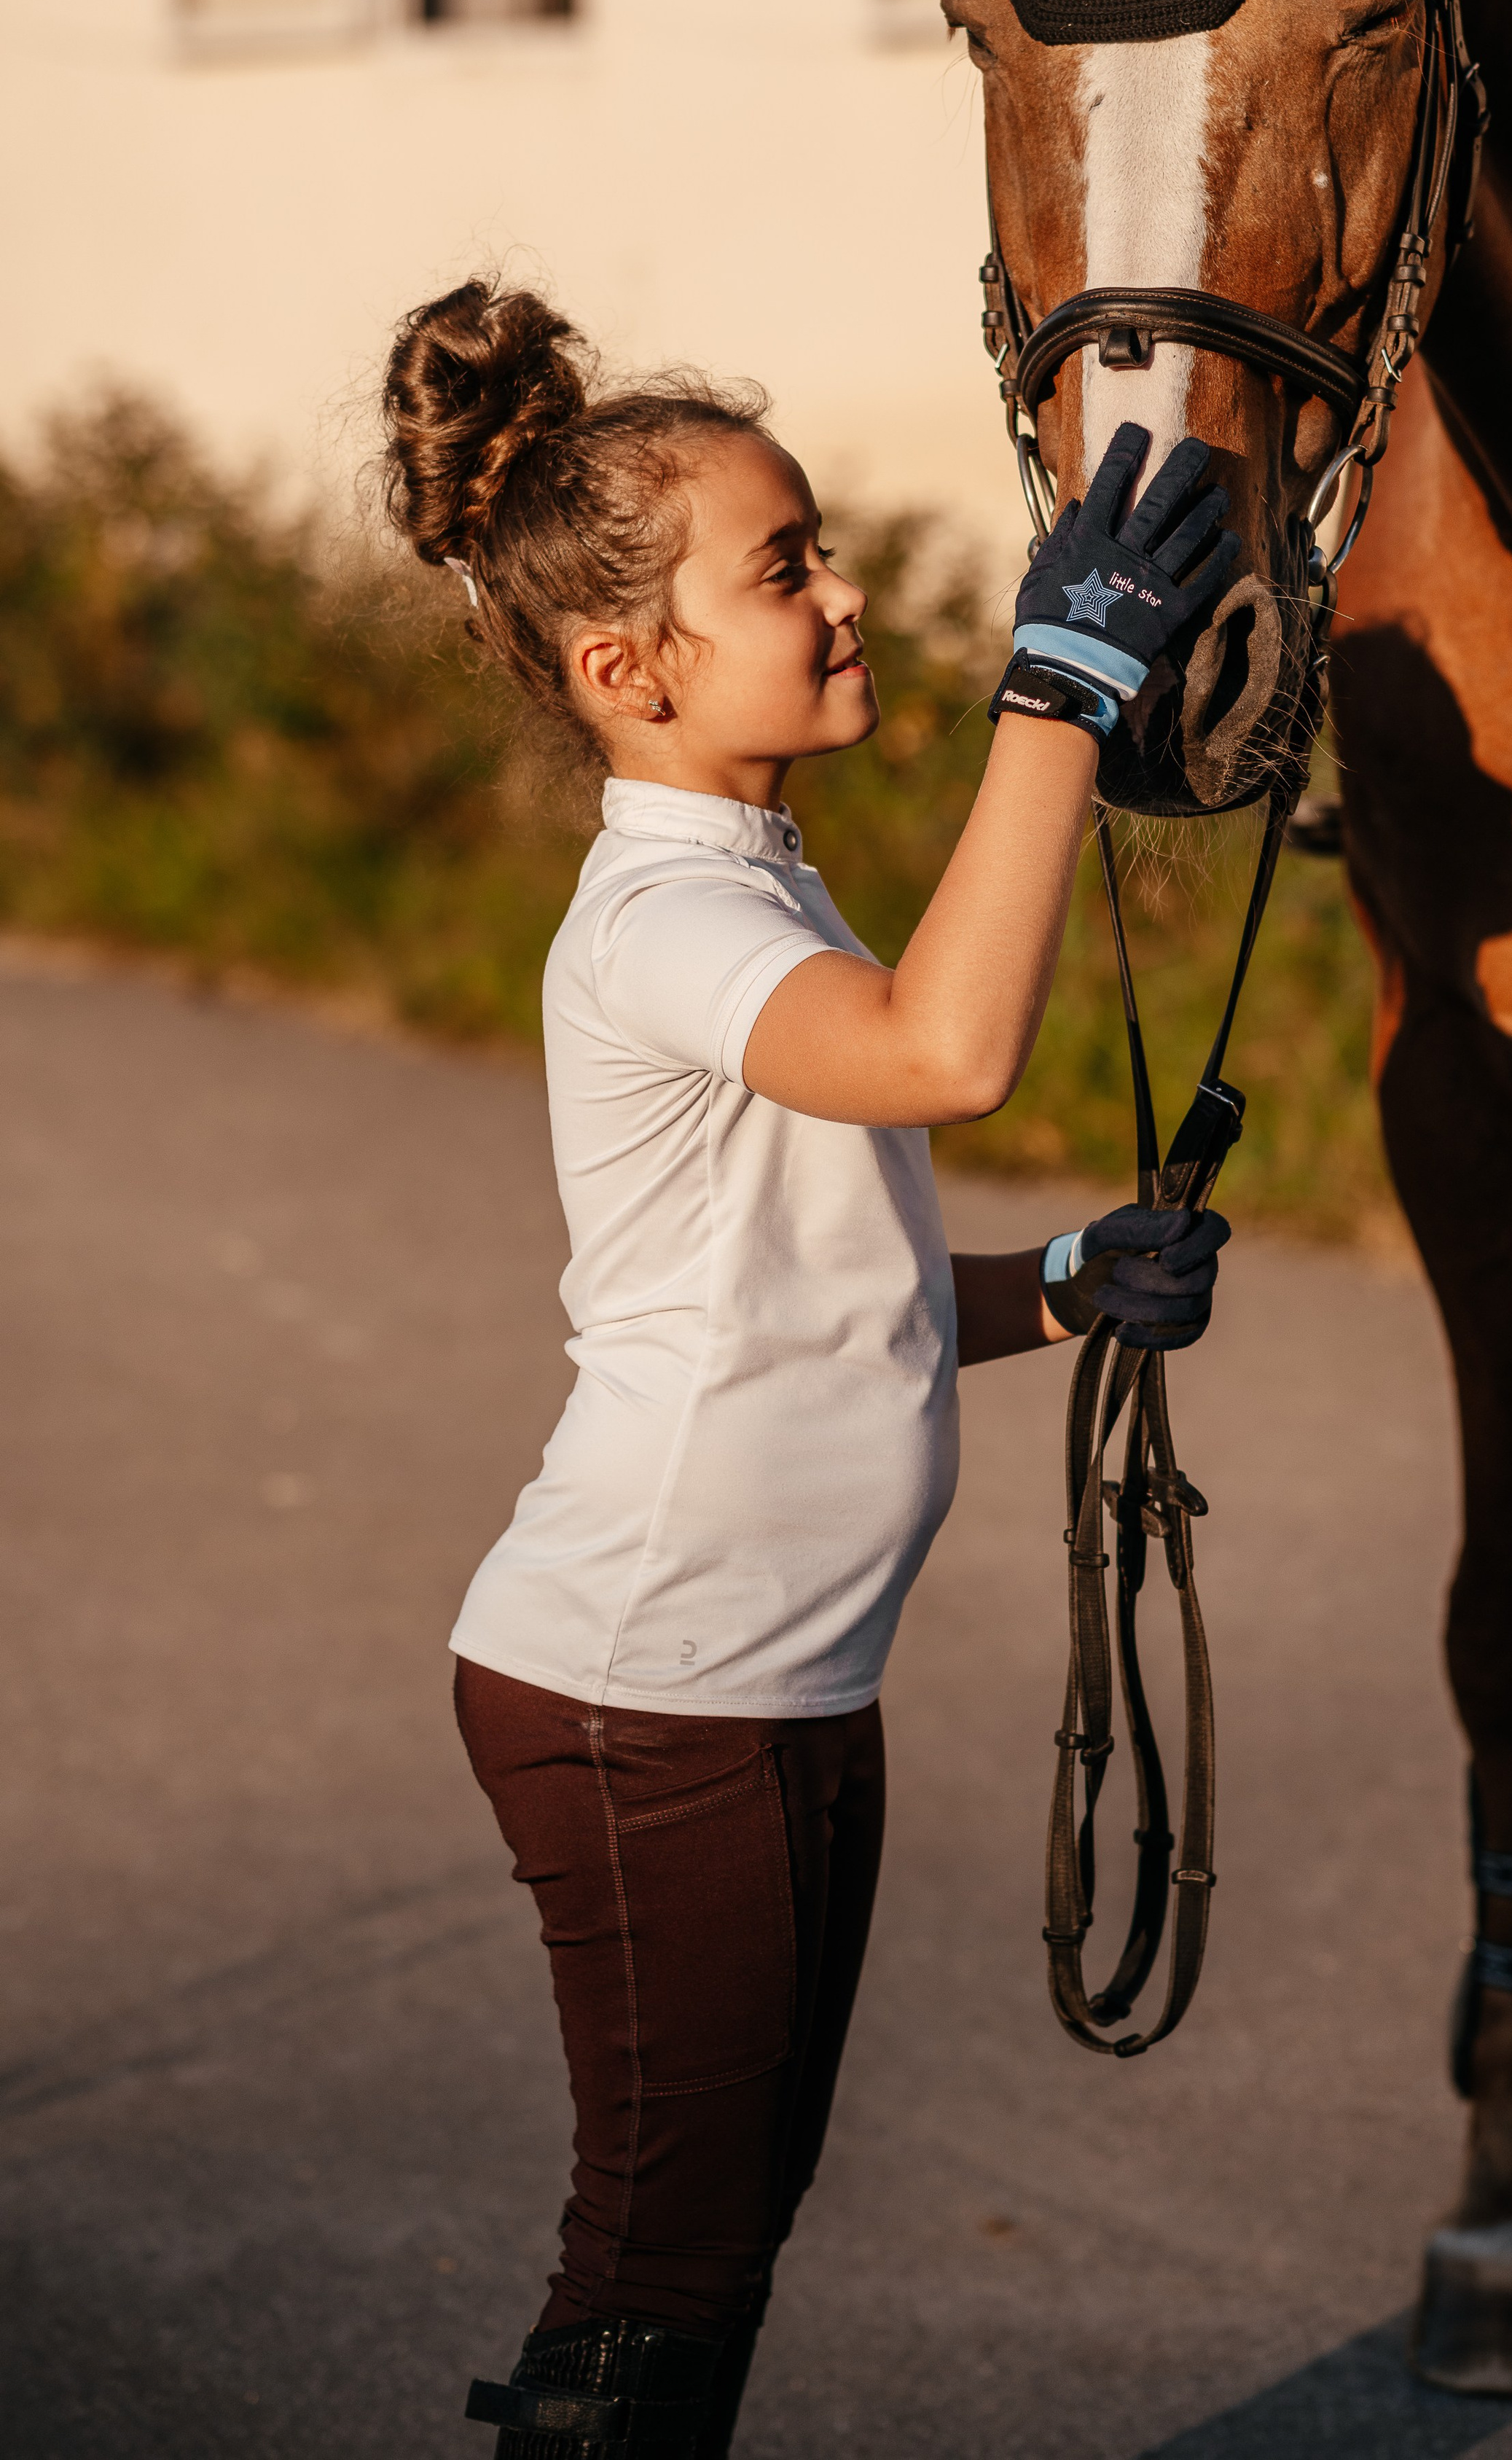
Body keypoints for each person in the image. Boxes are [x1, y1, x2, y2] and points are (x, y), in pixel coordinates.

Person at [377, 278, 1237, 2459]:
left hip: (762, 1685)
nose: (846, 596)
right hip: (648, 1694)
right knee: (654, 2283)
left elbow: (816, 1292)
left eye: (825, 547)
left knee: (720, 2248)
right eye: (788, 570)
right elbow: (951, 1048)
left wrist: (1061, 1280)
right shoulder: (671, 920)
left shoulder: (759, 875)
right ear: (628, 667)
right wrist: (1057, 696)